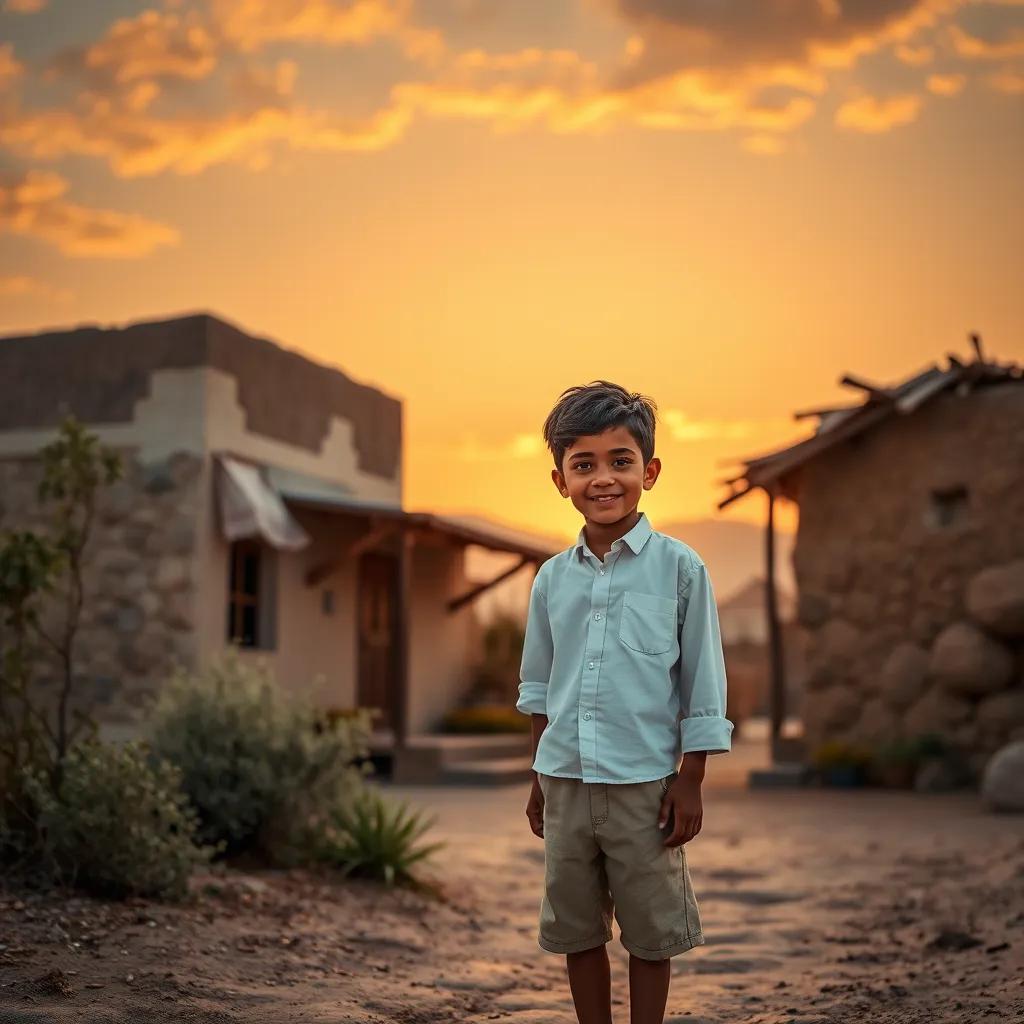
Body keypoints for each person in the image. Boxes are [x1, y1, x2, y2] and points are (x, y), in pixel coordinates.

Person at [516, 380, 734, 1024]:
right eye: (583, 465)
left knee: (650, 930)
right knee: (576, 928)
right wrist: (538, 778)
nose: (603, 479)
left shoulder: (680, 569)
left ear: (650, 470)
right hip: (565, 782)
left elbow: (702, 682)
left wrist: (690, 781)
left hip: (646, 785)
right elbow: (537, 688)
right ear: (560, 480)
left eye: (620, 461)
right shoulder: (552, 578)